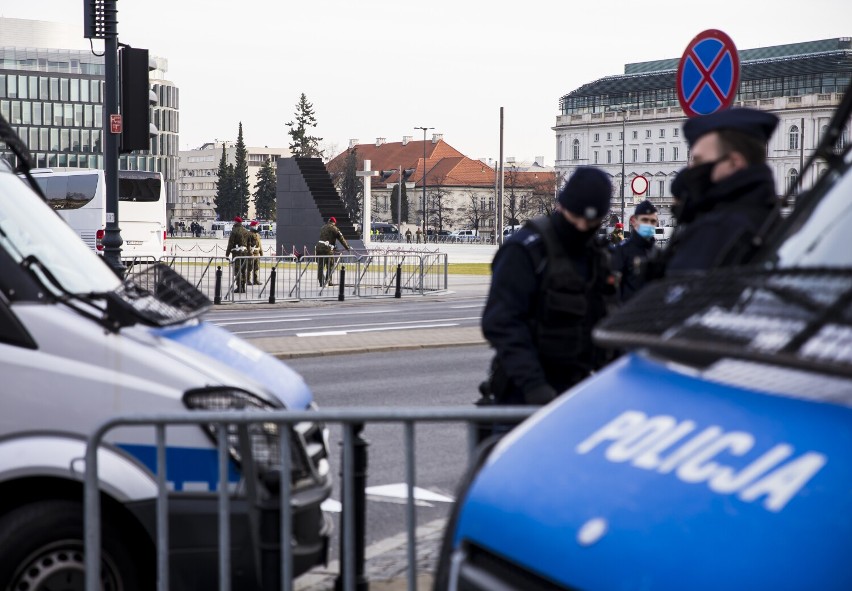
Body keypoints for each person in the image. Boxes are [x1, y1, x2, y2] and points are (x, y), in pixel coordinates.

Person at [480, 166, 616, 409]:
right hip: (525, 393)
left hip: (580, 388)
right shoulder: (526, 250)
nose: (583, 227)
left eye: (592, 221)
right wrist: (534, 386)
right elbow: (502, 322)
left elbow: (606, 319)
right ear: (562, 207)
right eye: (577, 218)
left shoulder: (596, 256)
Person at [666, 107, 780, 272]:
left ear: (734, 162)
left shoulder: (715, 229)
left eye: (699, 161)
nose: (690, 169)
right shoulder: (770, 219)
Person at [611, 200, 659, 303]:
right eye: (645, 220)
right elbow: (615, 288)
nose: (649, 225)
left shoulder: (656, 252)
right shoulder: (623, 250)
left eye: (653, 221)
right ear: (634, 221)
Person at [316, 216, 351, 286]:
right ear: (334, 222)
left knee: (320, 266)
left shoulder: (323, 227)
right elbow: (341, 239)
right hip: (327, 249)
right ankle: (328, 281)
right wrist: (347, 247)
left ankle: (321, 282)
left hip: (319, 248)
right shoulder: (334, 229)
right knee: (330, 266)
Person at [225, 216, 250, 293]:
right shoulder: (246, 231)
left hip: (237, 253)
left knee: (237, 270)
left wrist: (227, 254)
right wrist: (248, 252)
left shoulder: (234, 231)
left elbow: (230, 243)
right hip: (245, 253)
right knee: (243, 270)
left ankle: (239, 287)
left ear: (236, 222)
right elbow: (248, 243)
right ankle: (243, 286)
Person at [247, 220, 264, 285]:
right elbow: (248, 244)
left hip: (257, 253)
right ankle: (248, 280)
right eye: (256, 225)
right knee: (250, 267)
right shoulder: (249, 234)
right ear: (253, 226)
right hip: (252, 253)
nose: (257, 226)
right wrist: (250, 253)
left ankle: (255, 280)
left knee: (256, 267)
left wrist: (261, 252)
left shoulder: (257, 234)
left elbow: (260, 244)